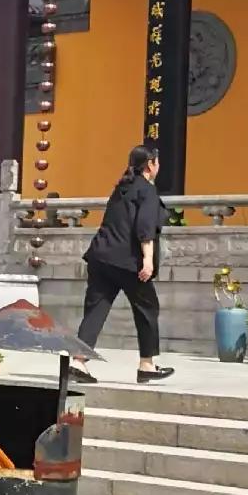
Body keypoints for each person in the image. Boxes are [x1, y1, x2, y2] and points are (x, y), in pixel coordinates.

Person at [72, 145, 173, 385]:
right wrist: (148, 260)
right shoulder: (146, 190)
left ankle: (78, 361)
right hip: (127, 262)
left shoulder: (121, 188)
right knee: (148, 308)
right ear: (151, 164)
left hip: (100, 257)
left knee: (96, 309)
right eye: (157, 162)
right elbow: (145, 227)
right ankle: (147, 364)